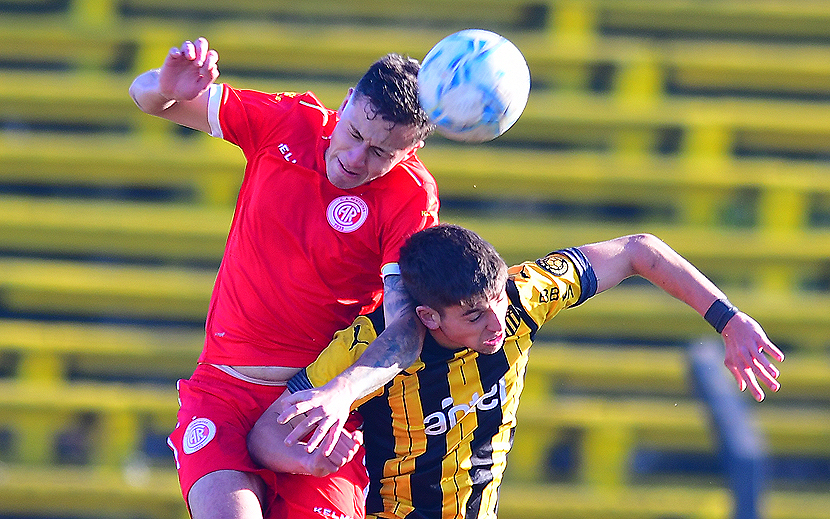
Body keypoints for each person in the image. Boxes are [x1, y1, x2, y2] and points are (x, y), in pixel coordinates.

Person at [249, 224, 785, 519]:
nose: (497, 326)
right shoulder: (365, 350)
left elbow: (639, 251)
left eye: (496, 304)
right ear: (428, 317)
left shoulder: (521, 296)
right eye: (475, 316)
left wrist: (729, 319)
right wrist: (308, 458)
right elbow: (265, 432)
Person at [128, 37, 440, 519]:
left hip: (315, 410)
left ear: (412, 149)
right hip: (224, 394)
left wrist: (338, 396)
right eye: (354, 134)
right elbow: (149, 97)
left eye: (381, 152)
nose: (357, 158)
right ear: (346, 104)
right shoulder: (288, 123)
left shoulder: (411, 197)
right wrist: (166, 85)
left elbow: (405, 331)